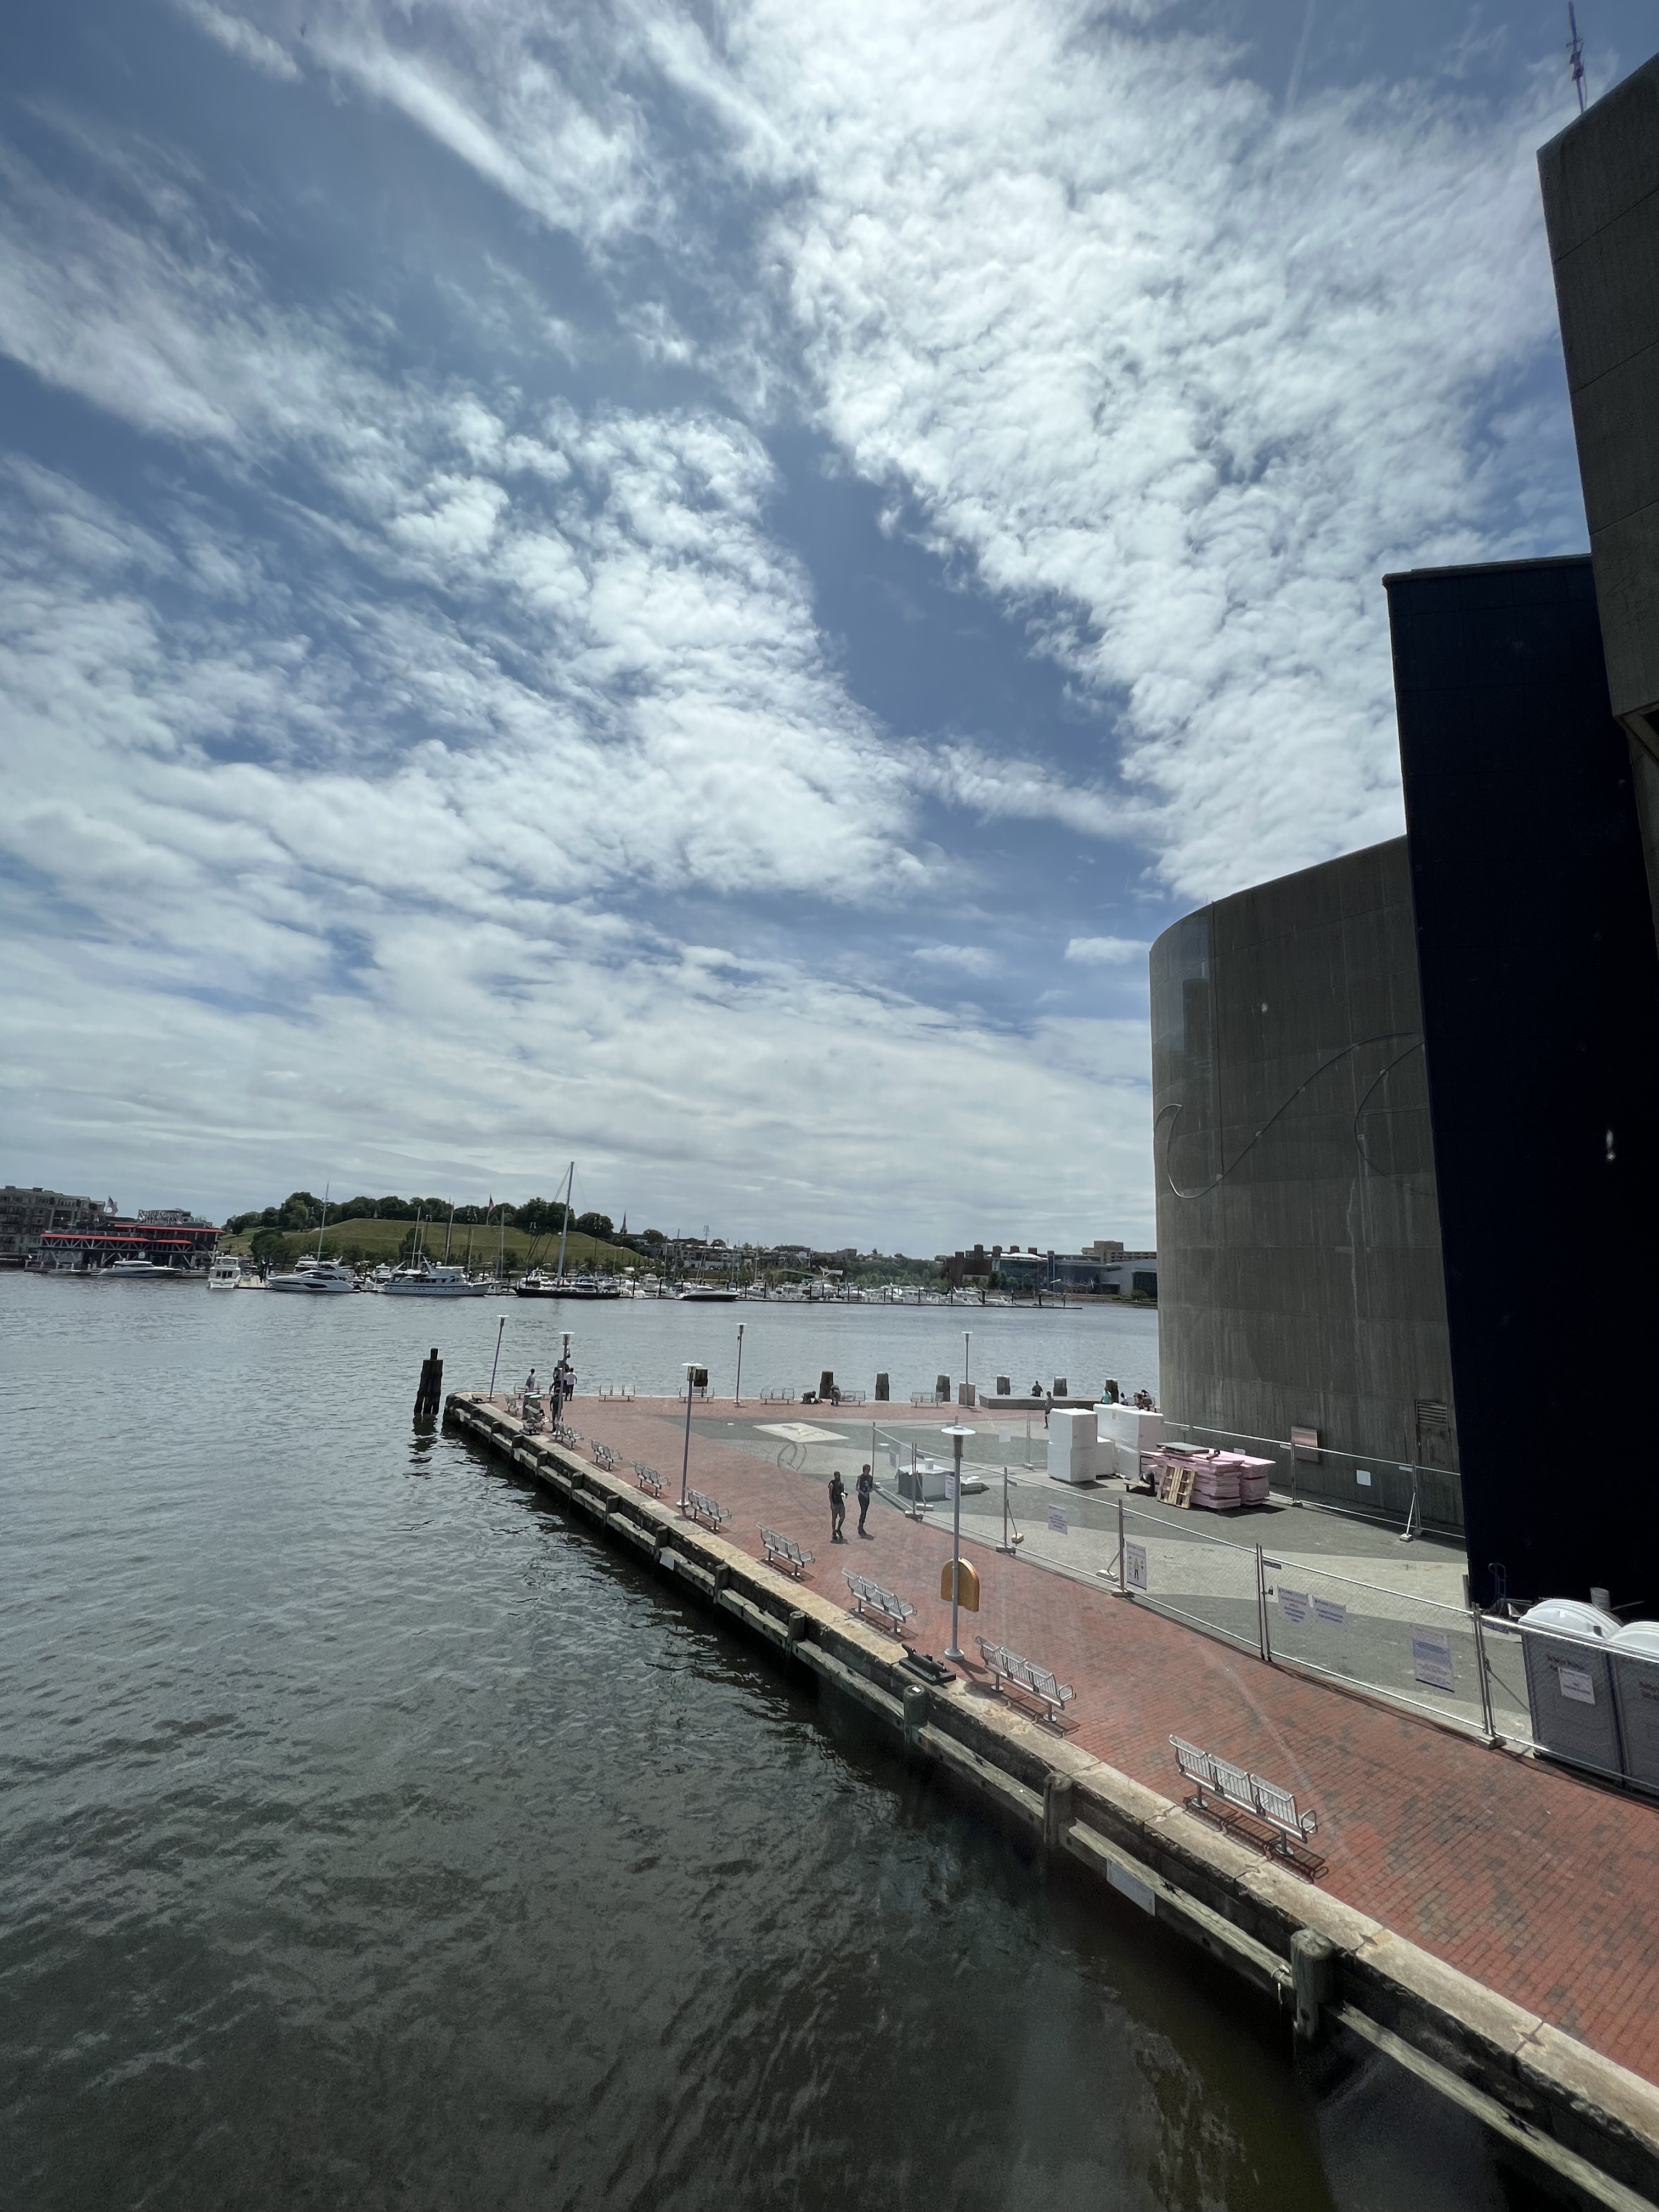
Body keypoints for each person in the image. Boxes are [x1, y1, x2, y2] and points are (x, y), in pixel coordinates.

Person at [828, 1469, 848, 1543]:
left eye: (839, 1476)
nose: (838, 1477)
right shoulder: (832, 1484)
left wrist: (844, 1495)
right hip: (835, 1503)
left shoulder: (841, 1484)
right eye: (837, 1476)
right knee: (834, 1518)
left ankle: (838, 1528)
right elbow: (830, 1495)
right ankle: (834, 1532)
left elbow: (841, 1494)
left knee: (843, 1517)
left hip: (840, 1503)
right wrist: (832, 1504)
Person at [856, 1463, 874, 1538]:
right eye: (867, 1469)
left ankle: (861, 1526)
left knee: (865, 1512)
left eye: (869, 1470)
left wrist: (868, 1492)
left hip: (867, 1497)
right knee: (863, 1511)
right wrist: (863, 1493)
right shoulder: (861, 1477)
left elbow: (872, 1487)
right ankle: (860, 1527)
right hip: (861, 1496)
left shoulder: (870, 1478)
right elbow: (857, 1488)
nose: (868, 1471)